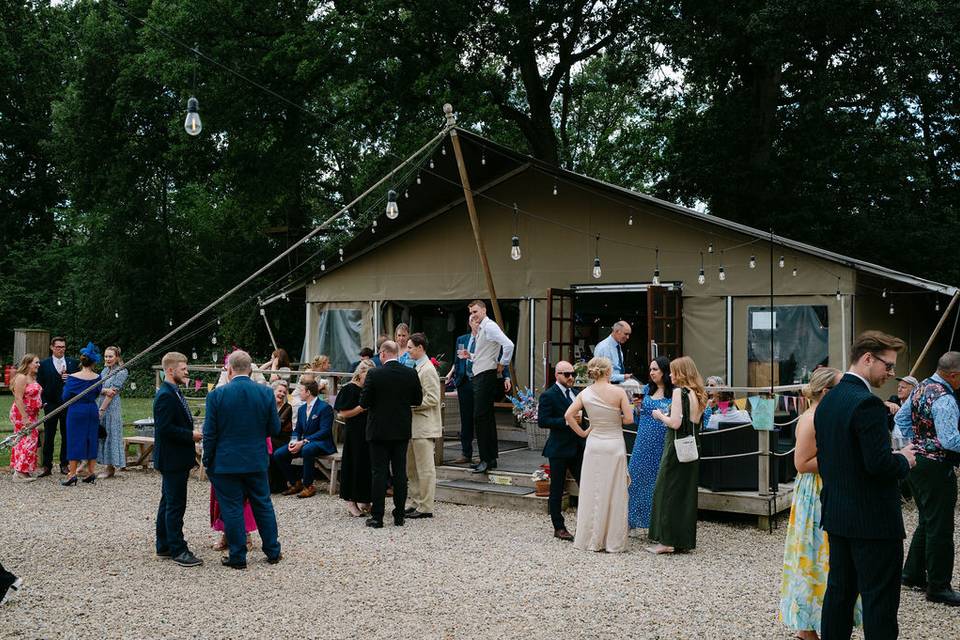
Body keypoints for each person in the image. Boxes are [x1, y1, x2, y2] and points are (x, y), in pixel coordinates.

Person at [815, 331, 916, 639]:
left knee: (839, 594)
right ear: (868, 358)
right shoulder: (867, 403)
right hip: (873, 521)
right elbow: (879, 465)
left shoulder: (828, 400)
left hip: (837, 513)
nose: (891, 373)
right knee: (879, 601)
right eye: (889, 365)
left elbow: (843, 456)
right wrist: (904, 460)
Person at [779, 367, 862, 639]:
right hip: (815, 493)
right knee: (814, 555)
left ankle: (828, 619)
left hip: (829, 487)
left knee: (831, 558)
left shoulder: (827, 415)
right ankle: (807, 626)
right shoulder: (811, 418)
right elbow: (801, 463)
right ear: (827, 392)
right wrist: (844, 457)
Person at [203, 350, 282, 569]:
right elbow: (274, 428)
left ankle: (238, 556)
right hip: (256, 459)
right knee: (263, 504)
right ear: (250, 369)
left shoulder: (216, 395)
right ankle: (273, 551)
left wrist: (207, 459)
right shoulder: (265, 393)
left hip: (226, 461)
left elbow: (210, 433)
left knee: (232, 507)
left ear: (229, 369)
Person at [894, 352, 960, 606]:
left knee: (927, 520)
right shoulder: (945, 398)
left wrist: (917, 443)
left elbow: (901, 419)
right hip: (935, 467)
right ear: (953, 375)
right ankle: (939, 586)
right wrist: (929, 445)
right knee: (940, 526)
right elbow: (950, 440)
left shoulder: (920, 387)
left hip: (916, 462)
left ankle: (912, 573)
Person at [563, 357, 632, 552]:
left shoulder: (585, 393)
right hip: (614, 444)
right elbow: (629, 419)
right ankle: (612, 541)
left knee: (592, 490)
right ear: (608, 372)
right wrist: (614, 417)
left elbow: (568, 415)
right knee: (614, 491)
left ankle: (590, 538)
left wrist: (583, 433)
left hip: (594, 444)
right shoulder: (618, 392)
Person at [360, 340, 423, 528]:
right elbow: (417, 400)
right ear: (397, 353)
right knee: (400, 473)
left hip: (378, 430)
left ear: (383, 353)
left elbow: (364, 402)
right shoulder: (410, 373)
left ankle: (378, 516)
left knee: (379, 473)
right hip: (401, 429)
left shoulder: (374, 374)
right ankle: (399, 515)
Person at [647, 356, 706, 554]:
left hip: (676, 447)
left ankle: (666, 541)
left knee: (667, 491)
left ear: (681, 373)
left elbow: (675, 423)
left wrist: (659, 415)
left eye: (673, 371)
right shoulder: (698, 393)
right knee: (685, 495)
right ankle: (682, 540)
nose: (670, 375)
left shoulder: (679, 392)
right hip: (692, 447)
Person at [153, 351, 204, 568]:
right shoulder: (165, 395)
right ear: (170, 370)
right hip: (172, 458)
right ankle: (178, 549)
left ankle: (163, 544)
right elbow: (164, 429)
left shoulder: (174, 391)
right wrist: (190, 435)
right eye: (183, 369)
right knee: (175, 504)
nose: (187, 372)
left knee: (168, 501)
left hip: (176, 457)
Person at [465, 300, 514, 474]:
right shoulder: (482, 328)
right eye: (471, 313)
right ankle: (490, 458)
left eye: (475, 311)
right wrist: (470, 356)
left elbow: (509, 345)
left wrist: (503, 363)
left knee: (481, 417)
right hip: (481, 374)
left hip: (486, 375)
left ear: (484, 310)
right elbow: (484, 354)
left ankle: (486, 459)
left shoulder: (490, 326)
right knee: (485, 417)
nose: (473, 315)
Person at [537, 360, 584, 541]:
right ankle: (559, 527)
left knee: (585, 484)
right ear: (557, 375)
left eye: (573, 374)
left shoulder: (576, 393)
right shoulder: (548, 395)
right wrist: (566, 421)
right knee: (556, 489)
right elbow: (543, 421)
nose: (571, 377)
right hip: (558, 448)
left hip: (577, 447)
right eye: (567, 374)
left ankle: (588, 523)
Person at [626, 356, 673, 530]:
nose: (651, 372)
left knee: (658, 482)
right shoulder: (646, 389)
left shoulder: (674, 393)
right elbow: (638, 418)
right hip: (643, 440)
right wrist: (637, 407)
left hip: (662, 441)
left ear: (664, 371)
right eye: (650, 369)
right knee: (635, 478)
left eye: (655, 369)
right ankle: (632, 520)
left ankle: (656, 524)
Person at [272, 379, 336, 499]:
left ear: (308, 392)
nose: (298, 393)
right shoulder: (301, 409)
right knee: (278, 454)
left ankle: (308, 486)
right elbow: (297, 430)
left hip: (322, 443)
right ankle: (295, 482)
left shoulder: (325, 407)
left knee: (307, 449)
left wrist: (303, 441)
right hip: (304, 443)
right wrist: (293, 441)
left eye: (301, 390)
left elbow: (325, 431)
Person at [406, 333, 442, 519]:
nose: (408, 350)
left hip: (424, 426)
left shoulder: (427, 369)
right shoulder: (418, 367)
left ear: (420, 348)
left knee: (425, 468)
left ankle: (426, 506)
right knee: (412, 468)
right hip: (414, 426)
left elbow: (433, 398)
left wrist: (411, 404)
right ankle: (415, 501)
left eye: (410, 347)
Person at [336, 361, 375, 517]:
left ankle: (365, 498)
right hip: (354, 433)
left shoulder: (368, 389)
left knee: (367, 465)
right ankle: (351, 501)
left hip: (369, 431)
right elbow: (343, 413)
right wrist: (361, 408)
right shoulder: (349, 389)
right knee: (354, 465)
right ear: (360, 373)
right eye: (368, 375)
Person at [60, 342, 103, 486]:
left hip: (76, 410)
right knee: (91, 439)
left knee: (74, 439)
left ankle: (72, 474)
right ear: (93, 363)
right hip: (91, 409)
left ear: (81, 361)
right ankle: (91, 472)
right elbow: (97, 393)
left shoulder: (73, 377)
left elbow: (65, 397)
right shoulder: (97, 377)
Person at [36, 336, 79, 476]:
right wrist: (44, 402)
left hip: (68, 404)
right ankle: (47, 465)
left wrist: (71, 378)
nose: (61, 349)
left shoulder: (73, 363)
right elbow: (39, 385)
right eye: (58, 347)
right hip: (50, 404)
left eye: (63, 347)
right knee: (49, 435)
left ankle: (64, 464)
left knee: (67, 434)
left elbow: (79, 382)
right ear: (52, 347)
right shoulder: (44, 364)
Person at [445, 320, 477, 464]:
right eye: (472, 321)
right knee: (465, 419)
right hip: (464, 382)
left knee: (480, 418)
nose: (475, 323)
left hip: (478, 381)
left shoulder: (485, 340)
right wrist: (456, 376)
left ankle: (484, 454)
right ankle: (466, 453)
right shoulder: (462, 339)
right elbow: (457, 360)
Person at [96, 346, 128, 479]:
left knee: (111, 433)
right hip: (100, 402)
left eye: (110, 356)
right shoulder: (105, 370)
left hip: (111, 407)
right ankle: (103, 464)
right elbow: (97, 387)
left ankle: (110, 468)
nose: (108, 359)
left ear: (117, 357)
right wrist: (104, 391)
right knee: (102, 434)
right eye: (106, 356)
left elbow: (112, 393)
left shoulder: (121, 371)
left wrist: (101, 410)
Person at [10, 354, 43, 482]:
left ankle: (22, 470)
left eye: (38, 362)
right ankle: (19, 473)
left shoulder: (32, 377)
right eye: (36, 362)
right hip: (21, 414)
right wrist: (24, 417)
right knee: (29, 440)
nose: (38, 365)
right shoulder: (21, 377)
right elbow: (18, 398)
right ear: (28, 364)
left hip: (32, 415)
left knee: (24, 440)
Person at [267, 380, 294, 493]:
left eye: (284, 392)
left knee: (269, 447)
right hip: (270, 437)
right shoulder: (267, 405)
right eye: (279, 391)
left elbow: (278, 425)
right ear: (273, 391)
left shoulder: (287, 407)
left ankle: (276, 485)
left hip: (281, 439)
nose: (282, 394)